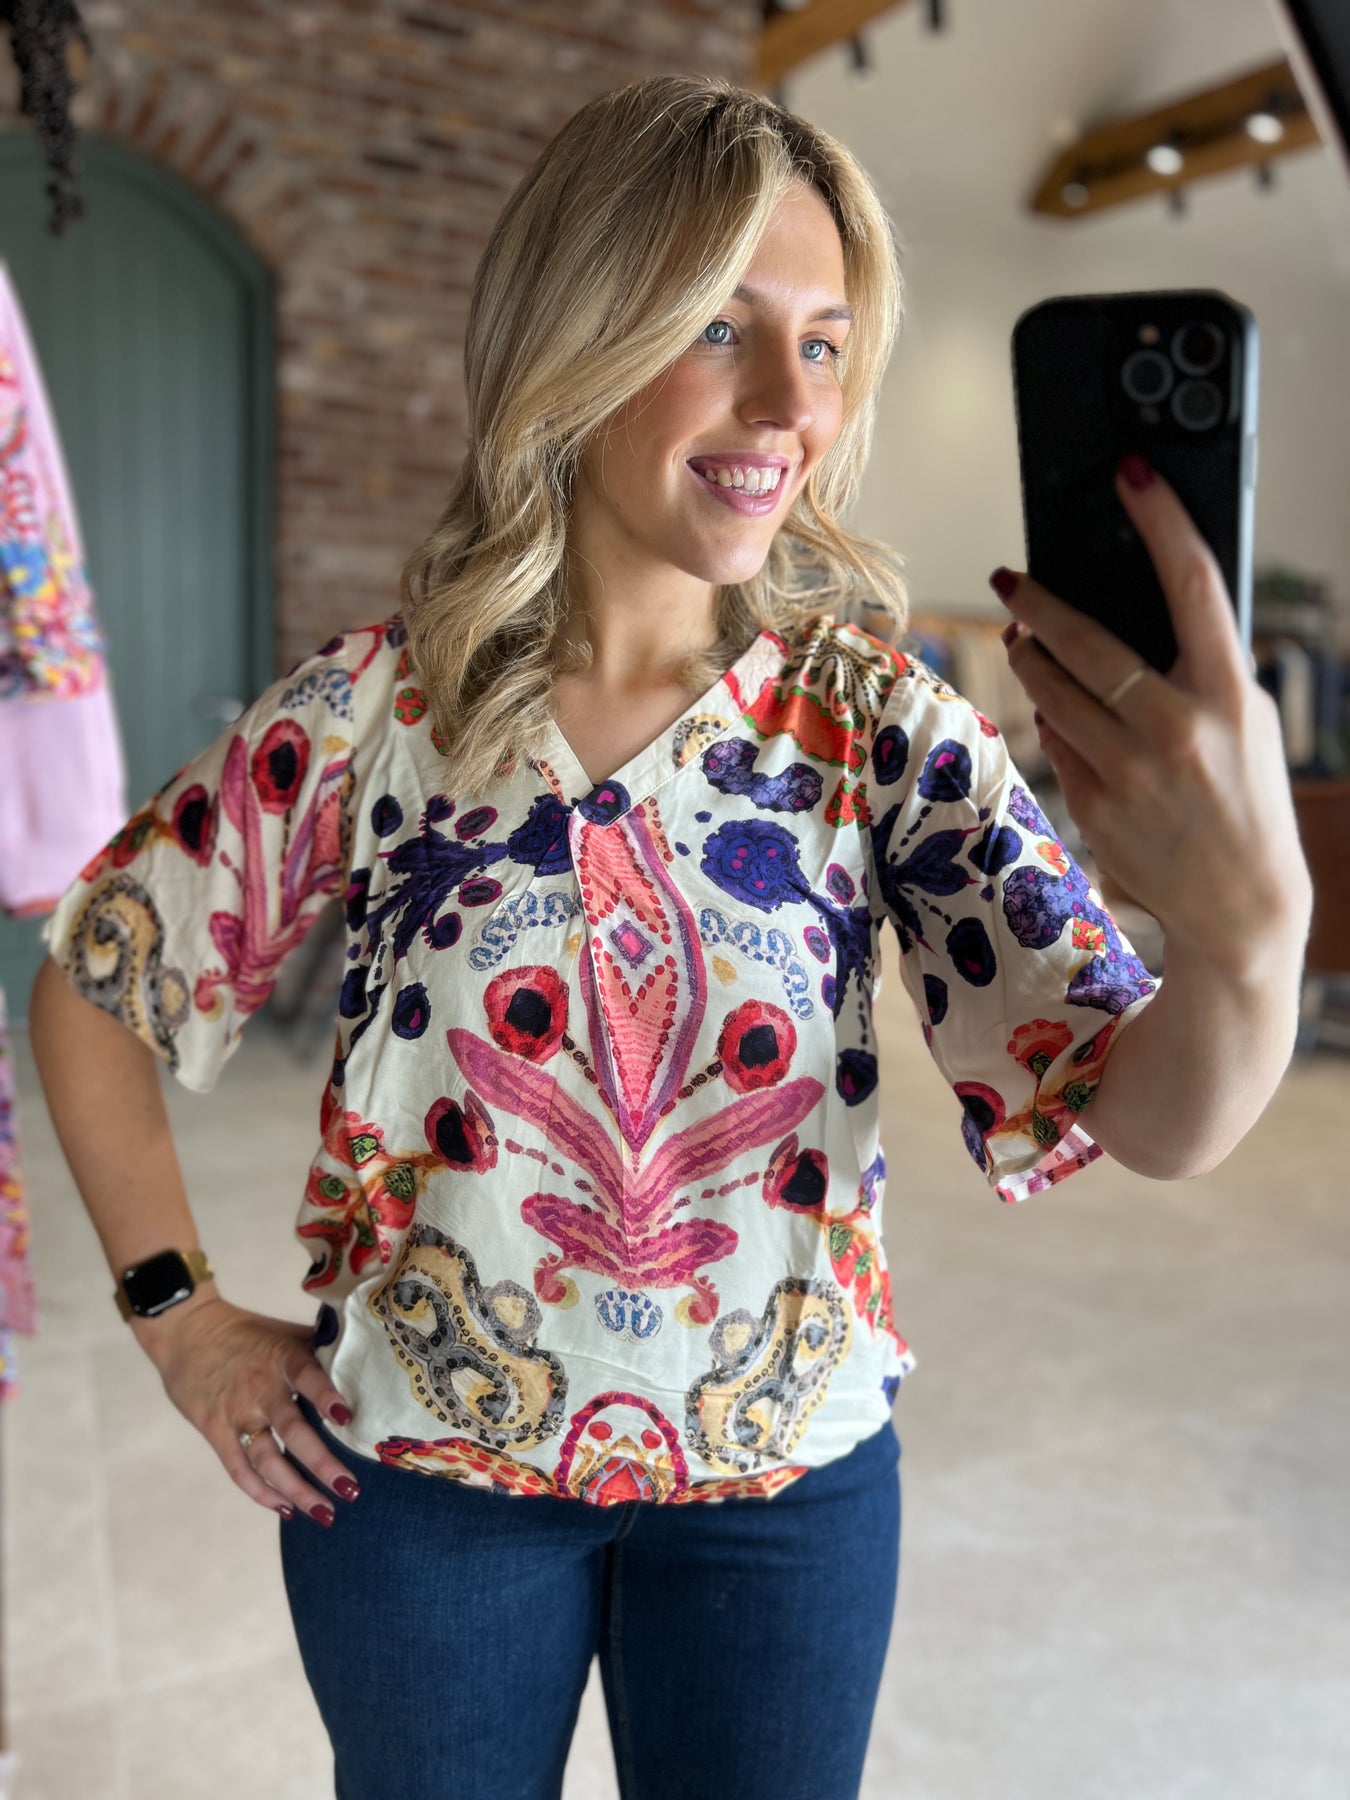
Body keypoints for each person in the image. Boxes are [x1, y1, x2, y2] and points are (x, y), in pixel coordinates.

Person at [28, 74, 1310, 1800]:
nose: (790, 401)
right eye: (720, 326)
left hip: (785, 1495)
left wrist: (1249, 943)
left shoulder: (874, 725)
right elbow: (100, 976)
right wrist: (179, 1319)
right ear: (576, 336)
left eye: (825, 342)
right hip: (423, 1494)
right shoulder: (373, 713)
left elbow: (1145, 1112)